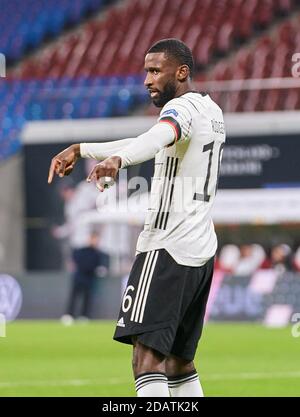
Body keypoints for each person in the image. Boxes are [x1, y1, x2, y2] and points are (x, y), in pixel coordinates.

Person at [48, 38, 226, 397]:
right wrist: (84, 149)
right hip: (199, 249)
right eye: (146, 71)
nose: (147, 80)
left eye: (155, 71)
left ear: (182, 72)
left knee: (146, 360)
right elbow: (151, 137)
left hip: (166, 247)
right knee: (178, 362)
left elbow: (160, 133)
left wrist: (119, 161)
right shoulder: (210, 111)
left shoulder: (181, 112)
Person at [61, 231, 109, 324]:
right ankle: (69, 315)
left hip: (90, 279)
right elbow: (77, 261)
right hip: (79, 278)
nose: (96, 241)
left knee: (87, 298)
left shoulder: (98, 253)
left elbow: (101, 266)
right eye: (94, 239)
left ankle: (84, 316)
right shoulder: (81, 250)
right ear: (90, 239)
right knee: (74, 297)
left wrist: (100, 269)